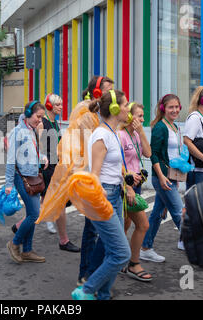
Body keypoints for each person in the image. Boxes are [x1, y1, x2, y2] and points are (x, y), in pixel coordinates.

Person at [72, 89, 132, 300]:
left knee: (111, 249)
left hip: (115, 193)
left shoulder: (112, 132)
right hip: (104, 197)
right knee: (122, 253)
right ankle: (86, 290)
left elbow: (112, 168)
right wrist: (101, 198)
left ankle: (103, 295)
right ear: (115, 109)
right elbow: (94, 175)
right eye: (125, 105)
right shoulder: (101, 135)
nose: (128, 108)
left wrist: (126, 179)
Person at [12, 94, 80, 252]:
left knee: (44, 205)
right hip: (48, 169)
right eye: (57, 105)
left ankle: (19, 226)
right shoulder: (43, 123)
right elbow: (41, 149)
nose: (61, 107)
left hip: (56, 166)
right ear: (49, 105)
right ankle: (63, 241)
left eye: (62, 104)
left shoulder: (55, 122)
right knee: (58, 204)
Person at [75, 76, 114, 286]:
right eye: (108, 91)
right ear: (97, 93)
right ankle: (87, 275)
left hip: (107, 179)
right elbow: (90, 148)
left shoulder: (104, 115)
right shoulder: (86, 114)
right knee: (92, 230)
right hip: (92, 177)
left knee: (101, 230)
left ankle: (94, 274)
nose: (113, 97)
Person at [140, 94, 184, 263]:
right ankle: (197, 247)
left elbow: (172, 154)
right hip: (162, 178)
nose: (174, 110)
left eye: (176, 107)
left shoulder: (174, 126)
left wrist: (175, 175)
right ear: (163, 108)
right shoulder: (160, 127)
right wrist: (161, 176)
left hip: (170, 177)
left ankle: (145, 247)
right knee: (180, 213)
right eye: (170, 107)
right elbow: (154, 155)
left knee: (157, 214)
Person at [5, 101, 48, 264]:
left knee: (33, 215)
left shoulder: (31, 130)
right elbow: (10, 159)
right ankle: (15, 243)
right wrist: (8, 183)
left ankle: (28, 250)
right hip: (21, 177)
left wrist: (41, 157)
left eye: (42, 117)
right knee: (34, 214)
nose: (40, 120)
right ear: (29, 113)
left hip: (33, 176)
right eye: (38, 116)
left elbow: (32, 152)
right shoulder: (18, 132)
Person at [118, 102, 152, 281]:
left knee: (125, 224)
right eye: (139, 116)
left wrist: (142, 132)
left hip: (136, 184)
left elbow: (147, 153)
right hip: (126, 186)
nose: (142, 119)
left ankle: (120, 259)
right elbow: (118, 163)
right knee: (142, 225)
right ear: (129, 117)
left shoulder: (136, 135)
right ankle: (132, 263)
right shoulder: (121, 135)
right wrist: (128, 186)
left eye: (143, 116)